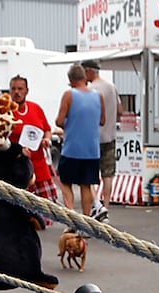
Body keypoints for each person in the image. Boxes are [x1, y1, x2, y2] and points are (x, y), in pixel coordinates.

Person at [55, 63, 103, 224]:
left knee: (65, 180)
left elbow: (60, 121)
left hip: (72, 148)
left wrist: (69, 122)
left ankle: (71, 215)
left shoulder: (69, 94)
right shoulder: (98, 96)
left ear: (71, 80)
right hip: (92, 149)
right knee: (86, 184)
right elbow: (102, 120)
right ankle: (86, 220)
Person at [7, 75, 60, 222]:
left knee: (47, 212)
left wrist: (47, 139)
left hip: (40, 167)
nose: (17, 92)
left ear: (27, 91)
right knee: (21, 214)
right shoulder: (6, 112)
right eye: (13, 89)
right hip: (18, 169)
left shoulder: (36, 108)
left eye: (20, 89)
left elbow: (47, 129)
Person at [82, 59, 118, 220]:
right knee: (107, 175)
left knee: (88, 174)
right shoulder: (111, 86)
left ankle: (97, 203)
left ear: (89, 71)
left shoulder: (90, 90)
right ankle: (106, 207)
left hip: (92, 137)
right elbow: (121, 109)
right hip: (110, 135)